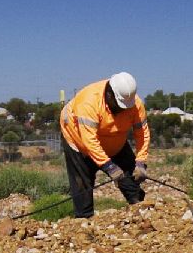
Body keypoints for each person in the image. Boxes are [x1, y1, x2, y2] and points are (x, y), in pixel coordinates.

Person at [58, 72, 150, 219]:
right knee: (82, 185)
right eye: (120, 105)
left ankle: (140, 210)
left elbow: (142, 133)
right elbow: (90, 141)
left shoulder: (134, 103)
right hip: (79, 142)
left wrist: (140, 161)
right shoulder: (89, 102)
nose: (123, 109)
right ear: (109, 94)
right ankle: (85, 220)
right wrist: (110, 167)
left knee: (129, 177)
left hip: (114, 141)